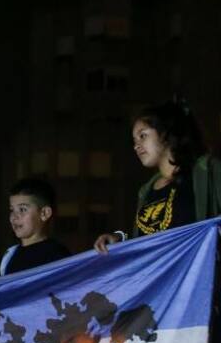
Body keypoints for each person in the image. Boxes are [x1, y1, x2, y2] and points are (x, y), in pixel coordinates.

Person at [94, 100, 221, 252]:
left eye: (143, 136)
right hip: (158, 274)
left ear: (165, 134)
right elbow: (146, 239)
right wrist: (120, 238)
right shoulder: (145, 191)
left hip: (193, 273)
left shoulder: (206, 172)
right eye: (134, 140)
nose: (136, 146)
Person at [0, 178, 70, 279]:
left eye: (22, 209)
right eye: (12, 210)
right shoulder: (10, 255)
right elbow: (5, 297)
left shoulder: (58, 256)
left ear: (44, 213)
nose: (14, 217)